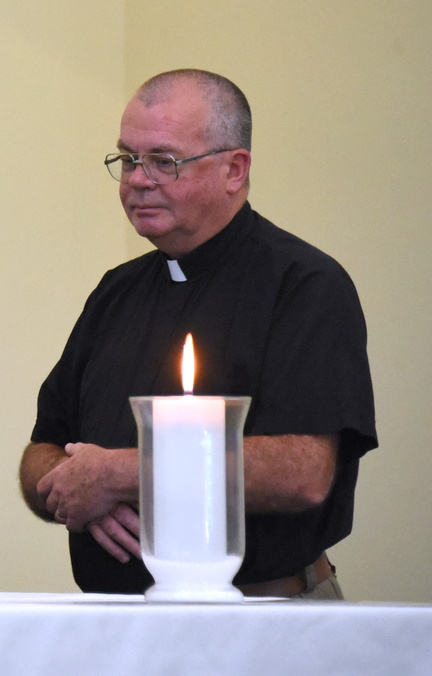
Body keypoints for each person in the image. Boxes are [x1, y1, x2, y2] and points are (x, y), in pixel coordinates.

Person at [20, 69, 377, 599]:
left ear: (234, 169)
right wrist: (78, 489)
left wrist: (117, 475)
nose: (138, 179)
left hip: (266, 615)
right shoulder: (115, 293)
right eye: (127, 159)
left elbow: (304, 473)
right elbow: (41, 451)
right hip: (117, 620)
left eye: (164, 161)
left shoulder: (304, 285)